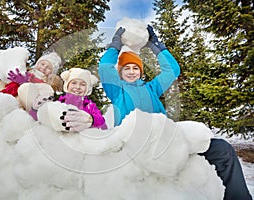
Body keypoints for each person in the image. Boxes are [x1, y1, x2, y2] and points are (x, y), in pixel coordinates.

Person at [98, 25, 252, 200]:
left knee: (223, 149)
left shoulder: (152, 88)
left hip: (165, 142)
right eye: (127, 68)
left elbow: (172, 70)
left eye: (135, 68)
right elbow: (105, 68)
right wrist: (114, 47)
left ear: (141, 72)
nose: (131, 72)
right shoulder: (117, 91)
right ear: (120, 73)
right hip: (135, 147)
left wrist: (156, 46)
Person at [33, 67, 107, 132]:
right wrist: (38, 110)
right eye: (74, 83)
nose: (78, 87)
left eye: (83, 84)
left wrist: (91, 119)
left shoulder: (89, 105)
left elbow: (102, 123)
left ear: (87, 89)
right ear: (67, 85)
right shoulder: (60, 102)